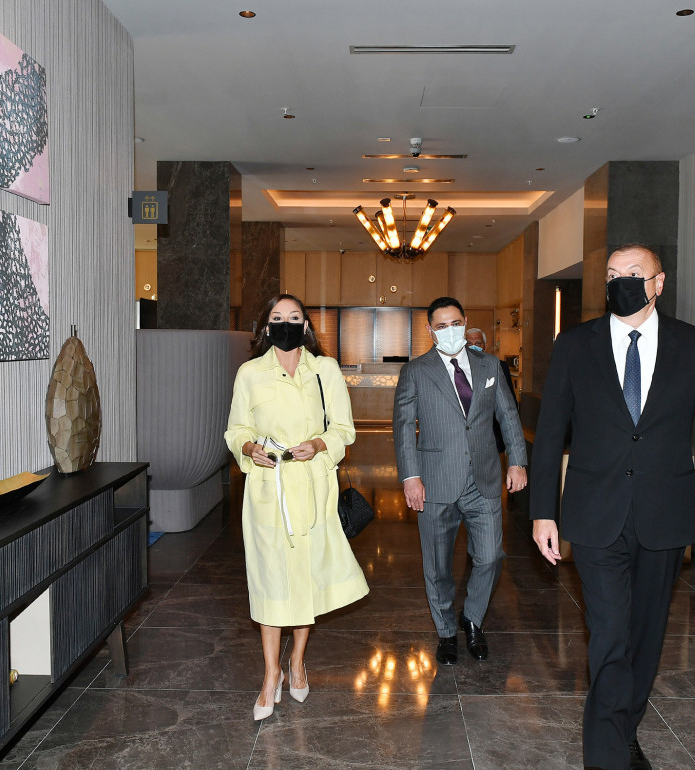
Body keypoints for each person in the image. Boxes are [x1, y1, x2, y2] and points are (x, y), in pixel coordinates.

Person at [529, 244, 695, 770]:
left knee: (645, 637)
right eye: (612, 275)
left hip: (664, 514)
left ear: (658, 283)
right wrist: (542, 511)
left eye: (633, 274)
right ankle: (615, 766)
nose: (621, 283)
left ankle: (625, 731)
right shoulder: (575, 345)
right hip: (594, 512)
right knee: (608, 634)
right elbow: (550, 431)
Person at [225, 294, 369, 722]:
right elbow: (236, 429)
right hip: (267, 488)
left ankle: (298, 660)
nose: (285, 324)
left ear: (305, 326)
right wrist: (249, 448)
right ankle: (271, 674)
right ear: (266, 326)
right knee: (270, 580)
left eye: (293, 317)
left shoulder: (325, 370)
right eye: (277, 317)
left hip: (312, 487)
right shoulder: (250, 373)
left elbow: (344, 429)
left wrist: (320, 444)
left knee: (304, 578)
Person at [393, 297, 528, 665]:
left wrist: (517, 461)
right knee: (437, 566)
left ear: (465, 322)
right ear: (430, 331)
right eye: (441, 326)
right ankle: (446, 631)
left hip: (483, 479)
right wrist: (410, 476)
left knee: (490, 556)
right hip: (434, 482)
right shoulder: (416, 371)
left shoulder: (490, 365)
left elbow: (508, 416)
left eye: (455, 323)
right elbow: (403, 428)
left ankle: (472, 619)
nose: (449, 331)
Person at [465, 327, 516, 452]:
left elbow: (509, 405)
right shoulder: (456, 368)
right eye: (469, 344)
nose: (473, 347)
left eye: (478, 343)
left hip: (492, 434)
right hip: (465, 438)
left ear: (485, 346)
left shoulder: (498, 366)